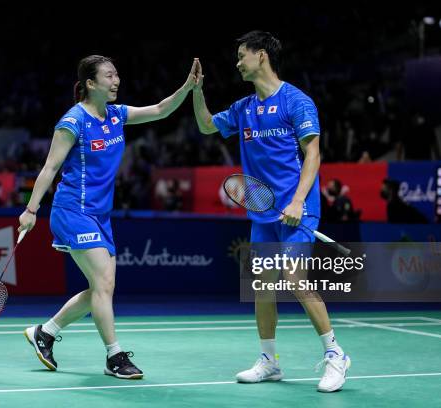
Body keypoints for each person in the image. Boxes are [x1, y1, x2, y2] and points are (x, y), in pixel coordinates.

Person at [18, 55, 200, 379]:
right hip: (73, 210)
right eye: (109, 76)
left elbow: (160, 110)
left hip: (101, 215)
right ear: (91, 84)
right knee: (103, 284)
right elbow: (50, 167)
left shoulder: (116, 115)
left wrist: (187, 87)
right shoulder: (73, 121)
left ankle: (44, 333)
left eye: (117, 75)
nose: (116, 81)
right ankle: (115, 357)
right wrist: (31, 210)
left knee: (101, 287)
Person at [192, 31, 350, 392]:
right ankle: (269, 361)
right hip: (264, 209)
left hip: (298, 205)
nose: (237, 62)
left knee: (294, 280)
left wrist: (297, 201)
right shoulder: (244, 108)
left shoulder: (297, 101)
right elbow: (205, 126)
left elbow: (313, 153)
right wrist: (196, 91)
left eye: (241, 55)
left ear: (261, 56)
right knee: (262, 286)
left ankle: (335, 354)